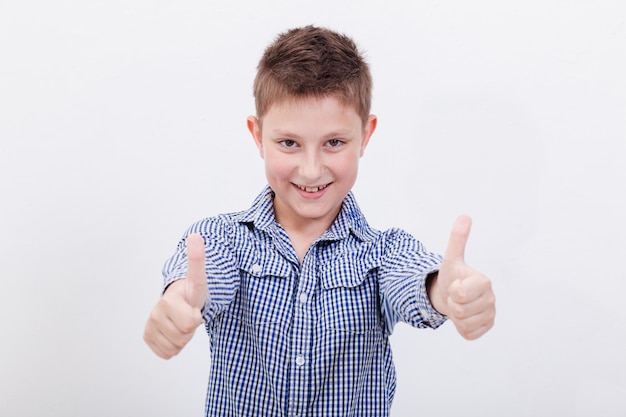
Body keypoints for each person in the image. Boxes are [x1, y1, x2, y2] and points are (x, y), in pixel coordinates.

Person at [143, 25, 496, 416]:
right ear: (257, 135)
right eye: (289, 143)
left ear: (365, 135)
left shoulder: (384, 253)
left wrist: (445, 292)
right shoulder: (222, 239)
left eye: (334, 142)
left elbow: (415, 281)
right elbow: (200, 279)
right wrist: (178, 300)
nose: (311, 171)